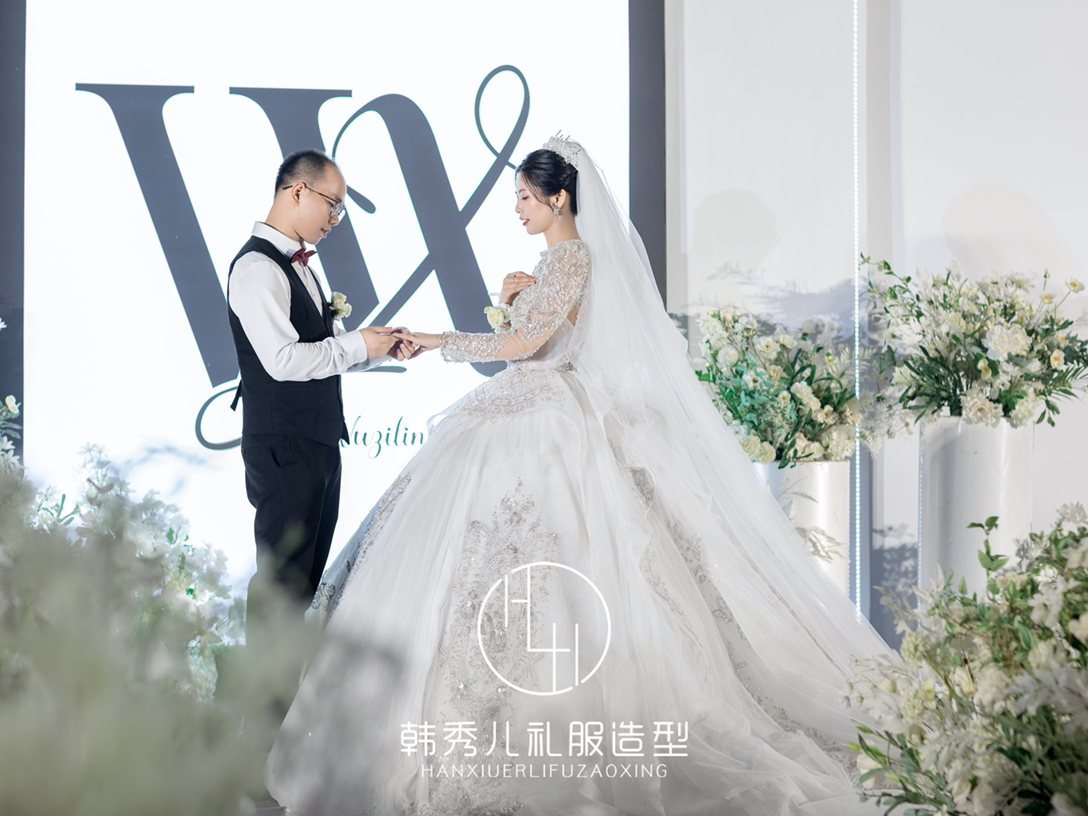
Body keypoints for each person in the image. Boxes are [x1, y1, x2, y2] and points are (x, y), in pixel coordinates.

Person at [265, 137, 889, 816]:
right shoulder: (552, 264)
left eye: (525, 197)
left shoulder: (573, 258)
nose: (518, 209)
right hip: (529, 406)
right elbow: (535, 336)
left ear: (559, 197)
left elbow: (524, 346)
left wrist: (440, 340)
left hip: (546, 417)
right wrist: (514, 297)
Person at [226, 148, 410, 690]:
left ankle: (283, 722)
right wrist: (356, 345)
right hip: (285, 447)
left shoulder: (300, 263)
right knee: (280, 593)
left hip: (318, 443)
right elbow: (283, 362)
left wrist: (376, 348)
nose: (336, 220)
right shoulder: (257, 268)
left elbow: (321, 353)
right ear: (298, 191)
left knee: (300, 593)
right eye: (334, 205)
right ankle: (262, 727)